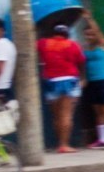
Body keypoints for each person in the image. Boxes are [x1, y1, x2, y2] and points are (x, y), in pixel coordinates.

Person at [37, 20, 86, 151]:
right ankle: (64, 145)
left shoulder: (43, 43)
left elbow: (34, 45)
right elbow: (81, 62)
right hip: (68, 80)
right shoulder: (73, 45)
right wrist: (82, 78)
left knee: (56, 116)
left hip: (50, 81)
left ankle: (60, 142)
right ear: (67, 33)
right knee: (66, 115)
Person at [78, 17, 104, 148]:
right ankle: (103, 139)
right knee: (98, 111)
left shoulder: (102, 44)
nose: (89, 36)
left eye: (91, 34)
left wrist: (89, 19)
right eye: (86, 34)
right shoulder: (85, 48)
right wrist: (83, 78)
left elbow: (97, 31)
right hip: (92, 82)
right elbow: (83, 66)